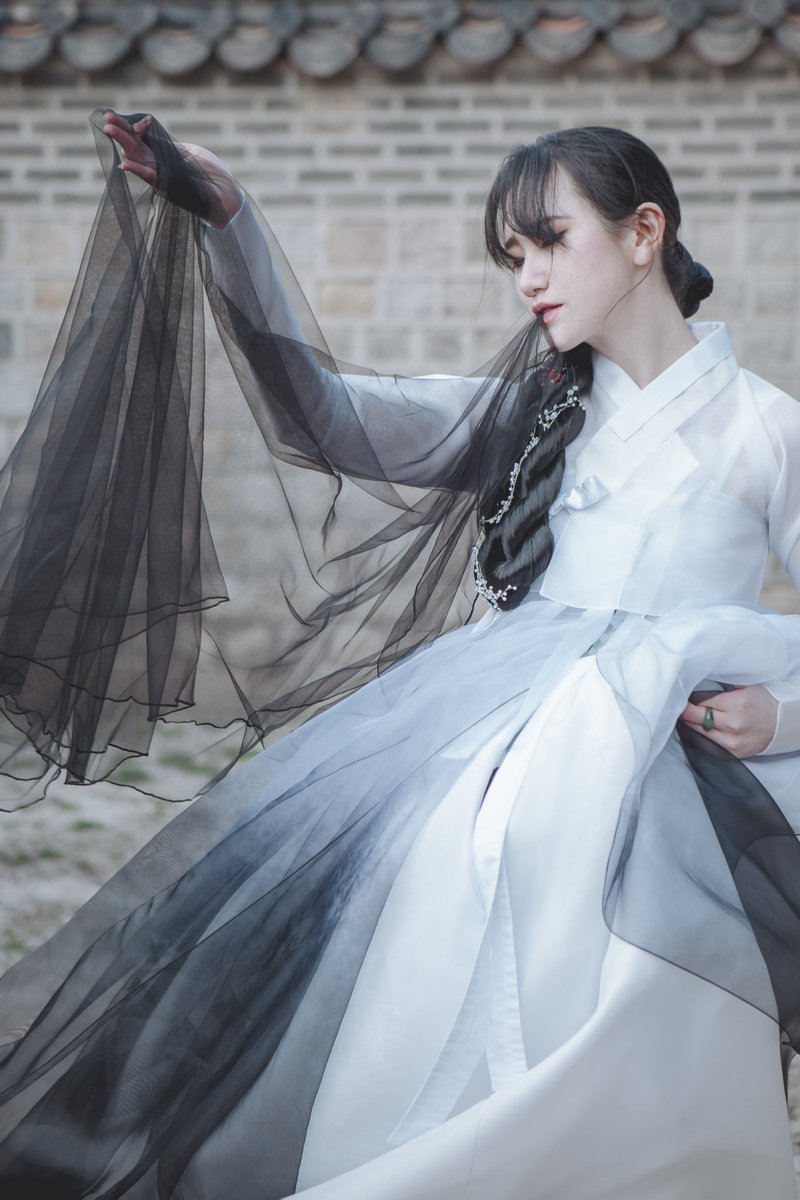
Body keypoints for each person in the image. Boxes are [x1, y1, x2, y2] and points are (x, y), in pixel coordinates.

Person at [0, 110, 800, 1199]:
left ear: (643, 232)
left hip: (674, 782)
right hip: (502, 744)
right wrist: (232, 226)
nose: (528, 279)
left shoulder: (765, 429)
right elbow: (329, 417)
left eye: (549, 241)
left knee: (642, 1012)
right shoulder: (530, 416)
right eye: (512, 257)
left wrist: (778, 714)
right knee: (426, 946)